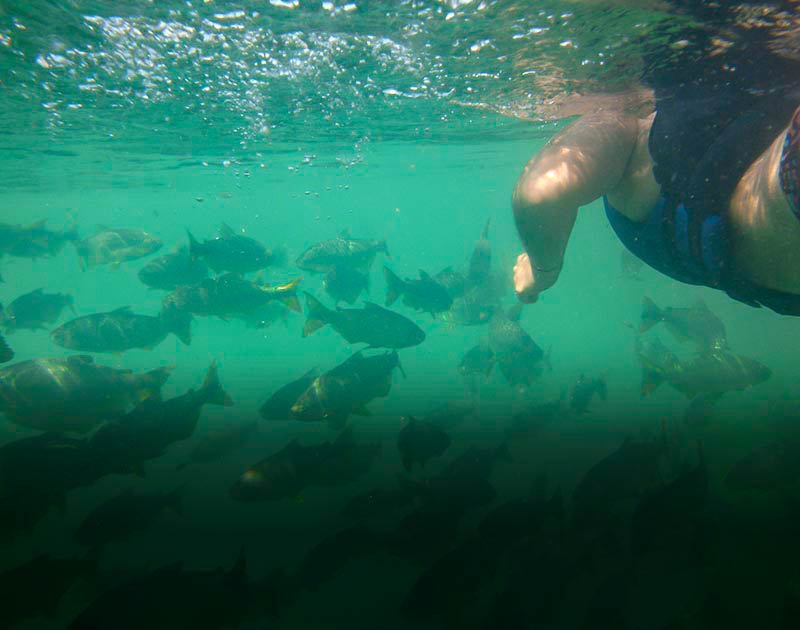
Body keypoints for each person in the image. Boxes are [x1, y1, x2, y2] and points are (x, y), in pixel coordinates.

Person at [511, 7, 800, 315]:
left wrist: (541, 272)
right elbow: (539, 193)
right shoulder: (631, 135)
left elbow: (539, 194)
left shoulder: (623, 128)